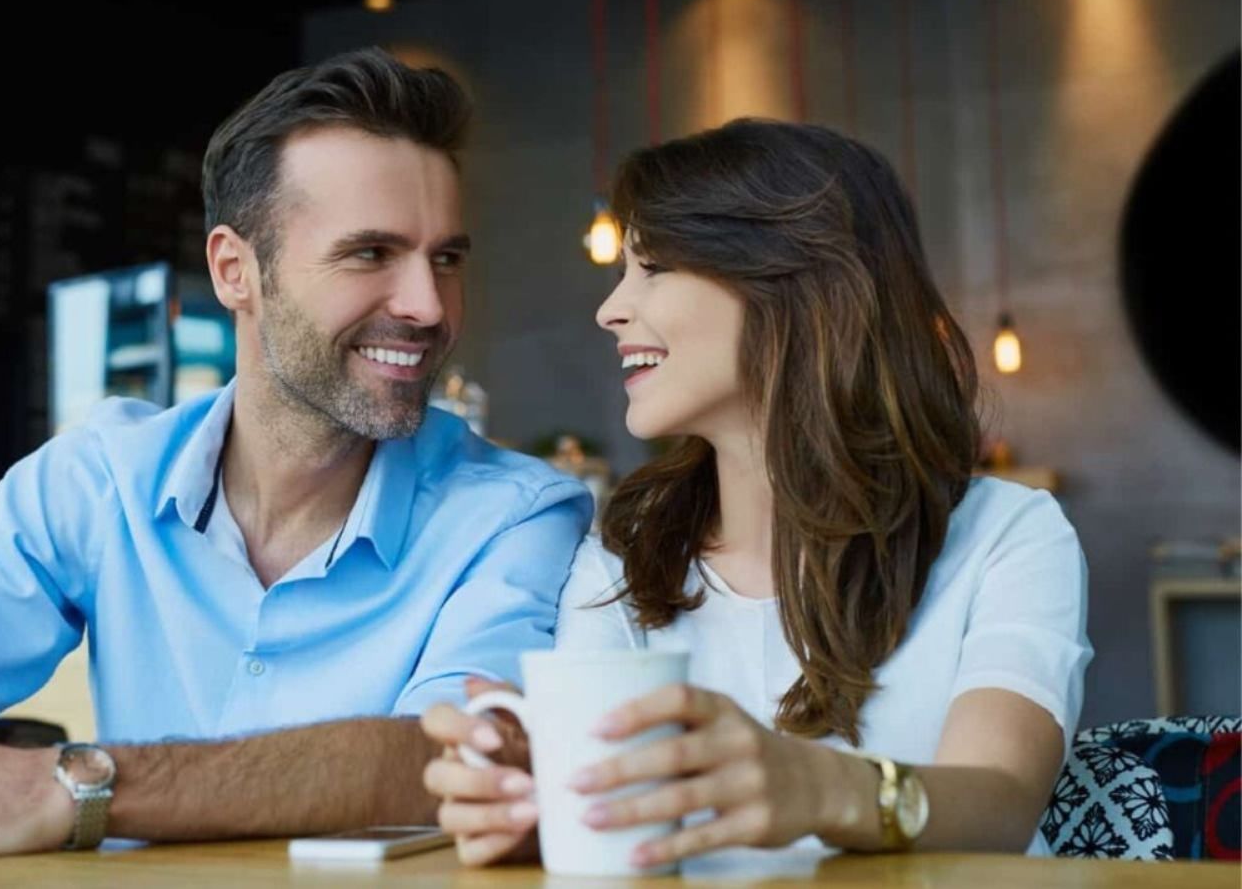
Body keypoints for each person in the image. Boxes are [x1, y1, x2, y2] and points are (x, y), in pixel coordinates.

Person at [0, 48, 590, 860]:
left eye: (448, 258)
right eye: (370, 253)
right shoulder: (96, 479)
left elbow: (449, 758)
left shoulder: (519, 517)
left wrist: (68, 788)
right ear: (235, 270)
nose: (428, 305)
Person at [421, 119, 1090, 869]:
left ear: (794, 285)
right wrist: (532, 811)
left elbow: (999, 801)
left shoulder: (1008, 535)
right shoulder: (624, 558)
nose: (610, 310)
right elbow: (618, 828)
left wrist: (823, 789)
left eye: (654, 267)